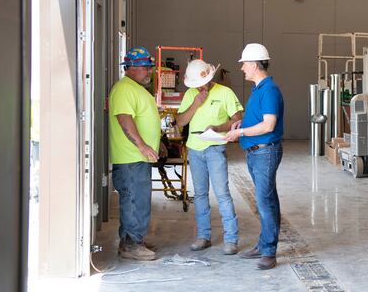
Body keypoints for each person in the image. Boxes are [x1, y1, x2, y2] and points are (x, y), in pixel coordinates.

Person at [224, 43, 284, 270]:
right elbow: (260, 119)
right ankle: (265, 243)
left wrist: (239, 132)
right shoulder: (259, 89)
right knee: (268, 199)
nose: (242, 69)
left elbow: (269, 125)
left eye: (244, 64)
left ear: (255, 64)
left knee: (265, 201)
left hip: (264, 152)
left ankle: (269, 251)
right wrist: (243, 123)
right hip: (257, 152)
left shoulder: (269, 90)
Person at [176, 59, 244, 255]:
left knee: (222, 194)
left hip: (215, 148)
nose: (198, 88)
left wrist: (218, 128)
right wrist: (195, 105)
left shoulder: (225, 93)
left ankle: (231, 239)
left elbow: (238, 120)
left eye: (200, 84)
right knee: (200, 195)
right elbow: (180, 121)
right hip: (195, 150)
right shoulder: (191, 94)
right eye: (195, 85)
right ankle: (203, 236)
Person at [108, 46, 164, 261]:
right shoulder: (124, 89)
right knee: (134, 200)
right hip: (131, 158)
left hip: (139, 158)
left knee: (139, 200)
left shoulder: (137, 88)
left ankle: (134, 239)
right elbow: (125, 119)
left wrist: (157, 143)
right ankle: (131, 244)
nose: (148, 71)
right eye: (143, 68)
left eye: (149, 68)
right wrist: (142, 145)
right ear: (129, 68)